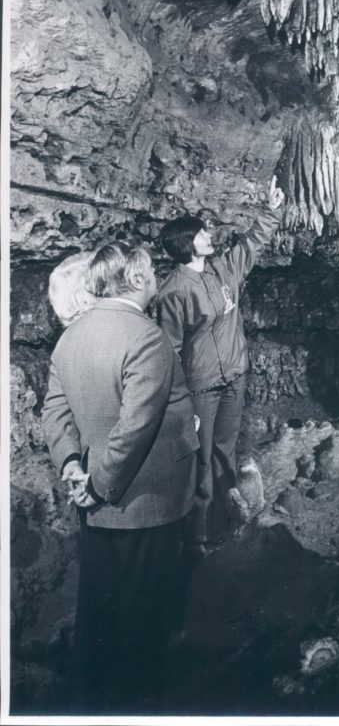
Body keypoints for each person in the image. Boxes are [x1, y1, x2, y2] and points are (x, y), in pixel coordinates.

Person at [41, 242, 199, 714]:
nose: (155, 277)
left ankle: (90, 703)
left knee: (98, 611)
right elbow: (136, 426)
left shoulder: (70, 336)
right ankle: (138, 708)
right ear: (134, 280)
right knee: (143, 618)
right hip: (142, 502)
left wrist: (72, 466)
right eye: (150, 270)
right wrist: (96, 484)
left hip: (94, 502)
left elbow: (54, 411)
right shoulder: (146, 336)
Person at [157, 175, 284, 554]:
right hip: (200, 387)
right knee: (198, 459)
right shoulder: (173, 291)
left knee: (225, 452)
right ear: (185, 244)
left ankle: (228, 521)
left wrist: (271, 211)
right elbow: (170, 349)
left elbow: (252, 244)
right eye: (200, 233)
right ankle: (197, 536)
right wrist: (178, 401)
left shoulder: (223, 269)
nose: (208, 235)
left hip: (232, 379)